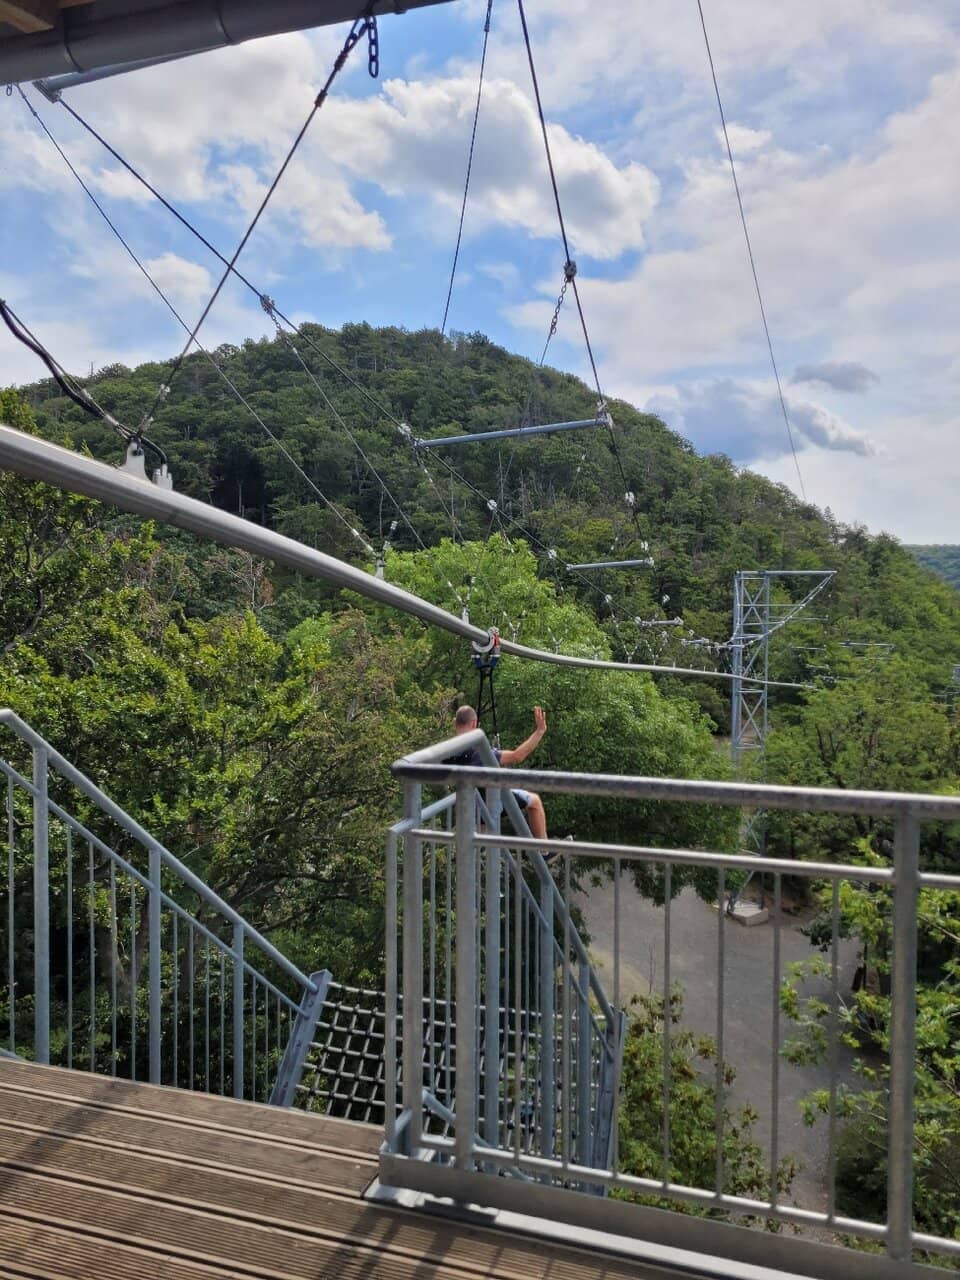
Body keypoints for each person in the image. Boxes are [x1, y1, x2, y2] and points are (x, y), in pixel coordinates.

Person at [451, 704, 549, 839]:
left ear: (454, 723)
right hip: (490, 804)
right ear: (474, 723)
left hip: (467, 807)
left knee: (481, 837)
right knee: (535, 802)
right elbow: (517, 756)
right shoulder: (479, 752)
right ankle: (544, 848)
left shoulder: (449, 751)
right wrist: (540, 731)